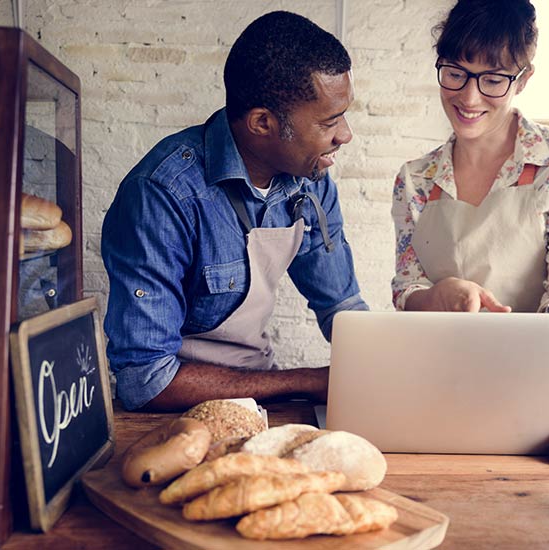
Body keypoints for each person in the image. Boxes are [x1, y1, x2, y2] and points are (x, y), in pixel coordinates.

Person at [102, 11, 367, 412]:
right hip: (175, 412)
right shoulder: (162, 194)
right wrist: (308, 382)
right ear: (262, 122)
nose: (345, 134)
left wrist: (383, 367)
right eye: (330, 120)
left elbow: (341, 308)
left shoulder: (309, 180)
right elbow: (146, 380)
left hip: (258, 396)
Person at [391, 0, 549, 465]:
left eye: (492, 79)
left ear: (523, 78)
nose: (469, 98)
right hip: (435, 399)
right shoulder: (416, 178)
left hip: (541, 413)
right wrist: (440, 295)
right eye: (455, 73)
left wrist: (542, 403)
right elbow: (407, 289)